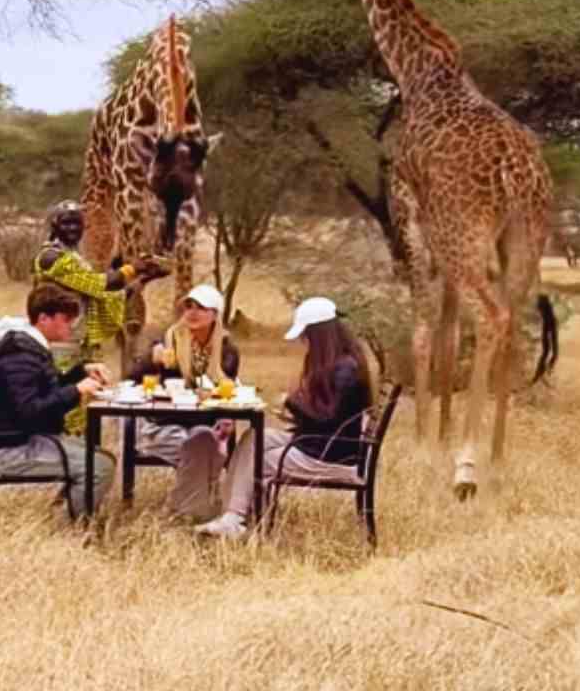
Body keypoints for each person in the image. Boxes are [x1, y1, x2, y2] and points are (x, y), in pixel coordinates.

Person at [194, 296, 372, 539]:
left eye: (306, 336)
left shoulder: (345, 370)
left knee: (260, 459)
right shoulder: (342, 363)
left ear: (319, 335)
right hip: (318, 445)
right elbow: (326, 416)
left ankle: (236, 517)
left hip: (328, 457)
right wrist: (295, 408)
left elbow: (327, 418)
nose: (303, 341)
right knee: (254, 438)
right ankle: (232, 516)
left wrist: (291, 403)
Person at [32, 199, 167, 435]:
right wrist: (133, 268)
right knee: (67, 405)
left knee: (88, 405)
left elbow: (108, 296)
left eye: (77, 223)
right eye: (66, 223)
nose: (73, 229)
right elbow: (99, 285)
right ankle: (67, 454)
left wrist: (145, 278)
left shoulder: (73, 257)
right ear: (54, 225)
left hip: (81, 340)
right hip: (59, 341)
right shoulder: (50, 258)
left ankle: (85, 459)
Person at [0, 283, 117, 518]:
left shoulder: (28, 347)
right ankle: (71, 527)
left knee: (102, 456)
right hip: (14, 450)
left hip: (27, 438)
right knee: (100, 466)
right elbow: (30, 411)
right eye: (66, 319)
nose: (71, 325)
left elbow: (48, 389)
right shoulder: (20, 357)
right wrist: (76, 391)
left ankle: (62, 513)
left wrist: (82, 371)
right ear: (44, 318)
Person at [135, 283, 240, 519]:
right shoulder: (167, 341)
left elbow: (227, 391)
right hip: (166, 423)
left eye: (201, 307)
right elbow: (133, 378)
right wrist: (152, 360)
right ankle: (196, 505)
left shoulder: (227, 350)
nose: (192, 312)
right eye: (188, 306)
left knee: (204, 440)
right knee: (201, 448)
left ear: (215, 315)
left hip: (205, 423)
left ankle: (180, 508)